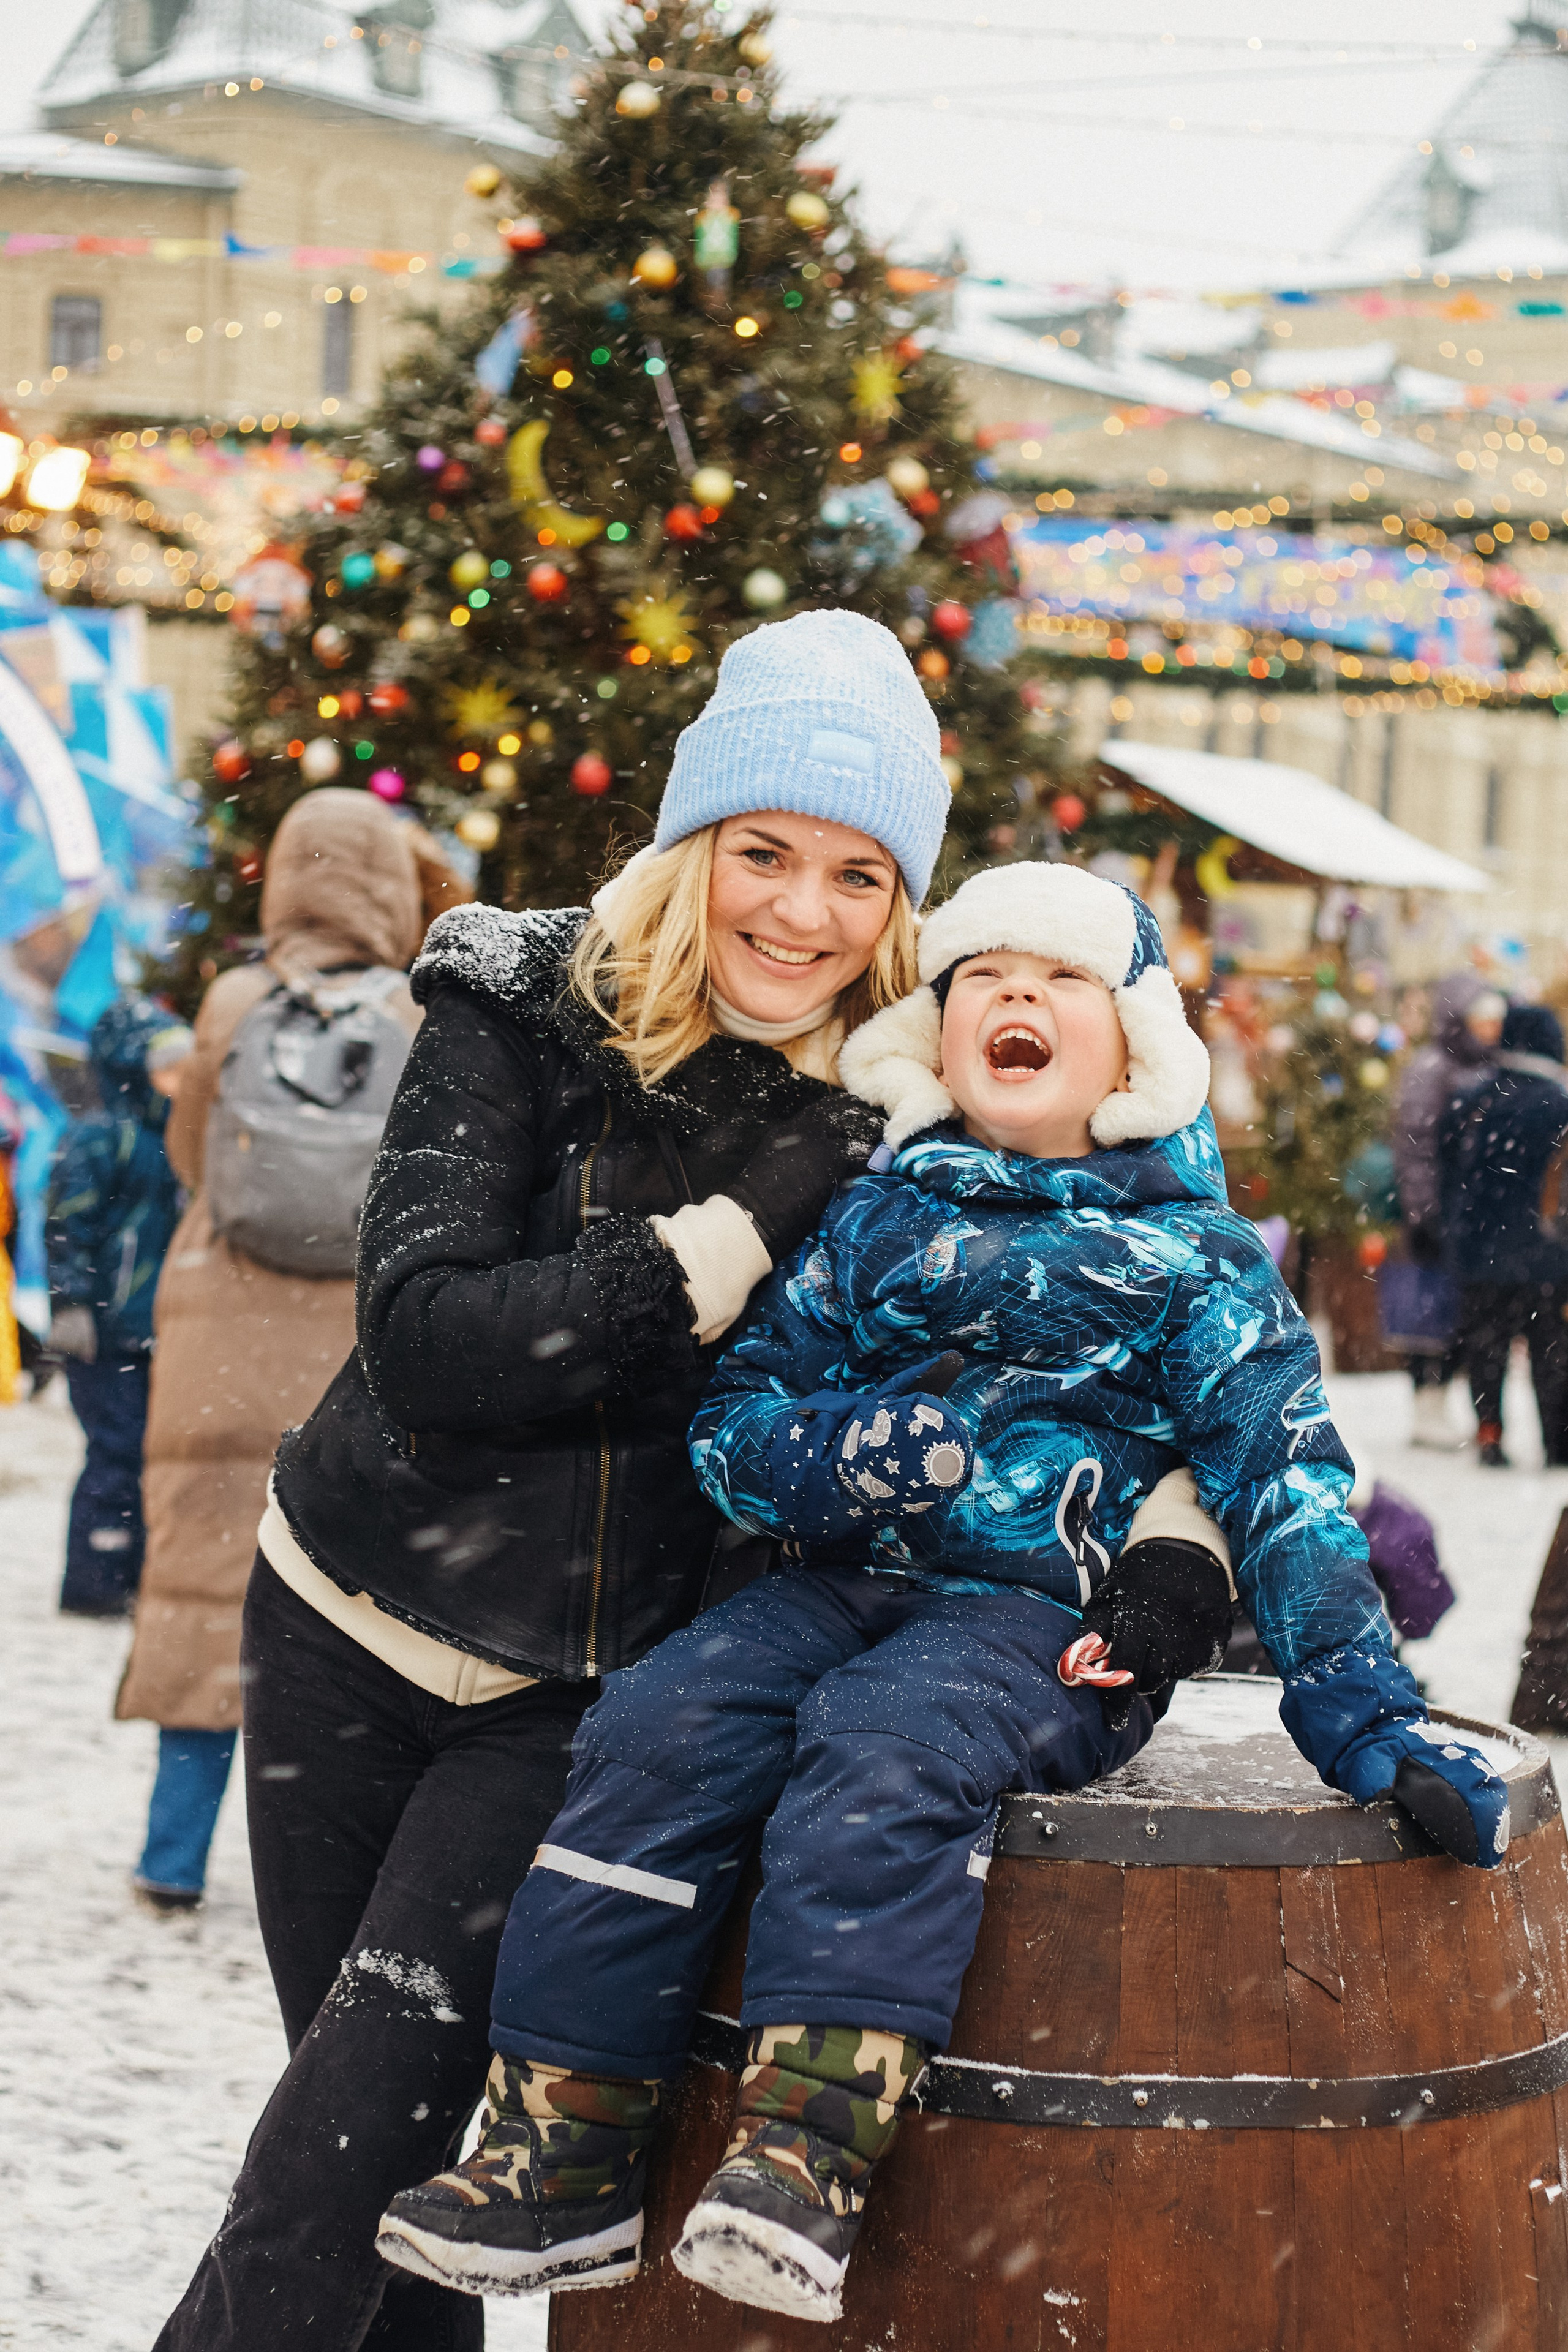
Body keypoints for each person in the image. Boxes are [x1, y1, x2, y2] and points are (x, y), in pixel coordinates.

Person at [379, 861, 1508, 2326]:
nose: (1016, 994)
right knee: (658, 1721)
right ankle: (562, 2144)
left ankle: (805, 2148)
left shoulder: (1193, 1260)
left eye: (1060, 979)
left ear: (1132, 1048)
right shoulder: (870, 1220)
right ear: (936, 1025)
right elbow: (732, 1423)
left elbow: (1282, 1481)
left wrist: (1365, 1716)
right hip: (838, 1581)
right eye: (984, 974)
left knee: (887, 1740)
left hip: (1042, 1623)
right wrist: (835, 1457)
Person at [153, 609, 965, 2352]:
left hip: (571, 1702)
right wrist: (724, 1238)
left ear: (903, 907)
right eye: (763, 851)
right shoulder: (517, 1002)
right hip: (341, 1620)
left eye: (858, 875)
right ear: (693, 845)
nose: (801, 914)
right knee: (373, 2171)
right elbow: (430, 1340)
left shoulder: (905, 1126)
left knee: (332, 2177)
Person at [116, 789, 461, 1913]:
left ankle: (172, 1856)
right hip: (346, 1340)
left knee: (198, 1591)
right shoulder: (421, 1013)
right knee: (333, 1602)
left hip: (219, 1323)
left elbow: (193, 1154)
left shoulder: (231, 1000)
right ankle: (327, 1869)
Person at [45, 996, 193, 1615]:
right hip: (107, 1332)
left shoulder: (177, 1139)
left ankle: (135, 1572)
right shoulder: (102, 1137)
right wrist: (72, 1303)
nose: (177, 1079)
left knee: (151, 1455)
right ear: (132, 1068)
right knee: (116, 1450)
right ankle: (96, 1581)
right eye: (164, 1066)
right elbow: (67, 1225)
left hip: (160, 1329)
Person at [1440, 1001, 1568, 1469]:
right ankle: (1558, 1442)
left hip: (1482, 1253)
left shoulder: (1473, 1101)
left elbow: (1448, 1177)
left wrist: (1454, 1234)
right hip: (1549, 1255)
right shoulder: (1561, 1104)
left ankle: (1490, 1435)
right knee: (1552, 1352)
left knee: (1487, 1349)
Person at [1390, 973, 1506, 1447]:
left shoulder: (1489, 1067)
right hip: (1440, 1214)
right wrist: (1425, 1212)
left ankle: (1440, 1401)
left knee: (1460, 1313)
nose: (1490, 1029)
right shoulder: (1434, 1068)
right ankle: (1427, 1404)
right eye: (1482, 1019)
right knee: (1429, 1310)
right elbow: (1415, 1148)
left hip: (1471, 1216)